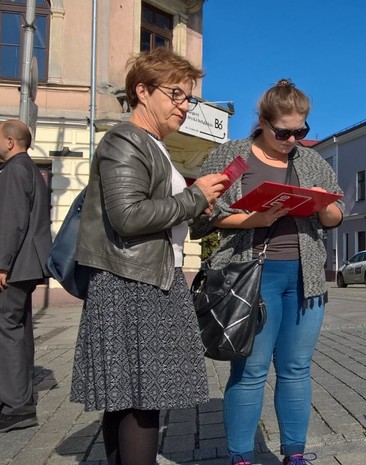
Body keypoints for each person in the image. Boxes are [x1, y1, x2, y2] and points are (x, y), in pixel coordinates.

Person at [69, 48, 229, 465]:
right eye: (176, 95)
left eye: (189, 98)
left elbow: (157, 213)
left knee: (128, 398)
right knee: (141, 401)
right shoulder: (125, 139)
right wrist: (193, 198)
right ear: (142, 91)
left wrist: (199, 207)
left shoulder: (154, 145)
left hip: (145, 277)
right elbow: (128, 215)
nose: (184, 107)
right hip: (133, 282)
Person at [191, 79, 344, 465]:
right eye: (283, 131)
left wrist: (322, 204)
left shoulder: (310, 160)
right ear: (261, 121)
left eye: (301, 131)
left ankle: (294, 453)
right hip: (250, 277)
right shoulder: (234, 155)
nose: (292, 139)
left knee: (296, 369)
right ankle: (240, 456)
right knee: (251, 369)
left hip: (305, 278)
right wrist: (254, 218)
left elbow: (336, 216)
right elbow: (203, 217)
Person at [0, 120, 51, 433]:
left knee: (7, 330)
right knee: (17, 328)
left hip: (15, 265)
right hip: (27, 264)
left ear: (9, 142)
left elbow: (12, 221)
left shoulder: (15, 170)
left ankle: (16, 406)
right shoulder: (31, 169)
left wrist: (2, 264)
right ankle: (19, 400)